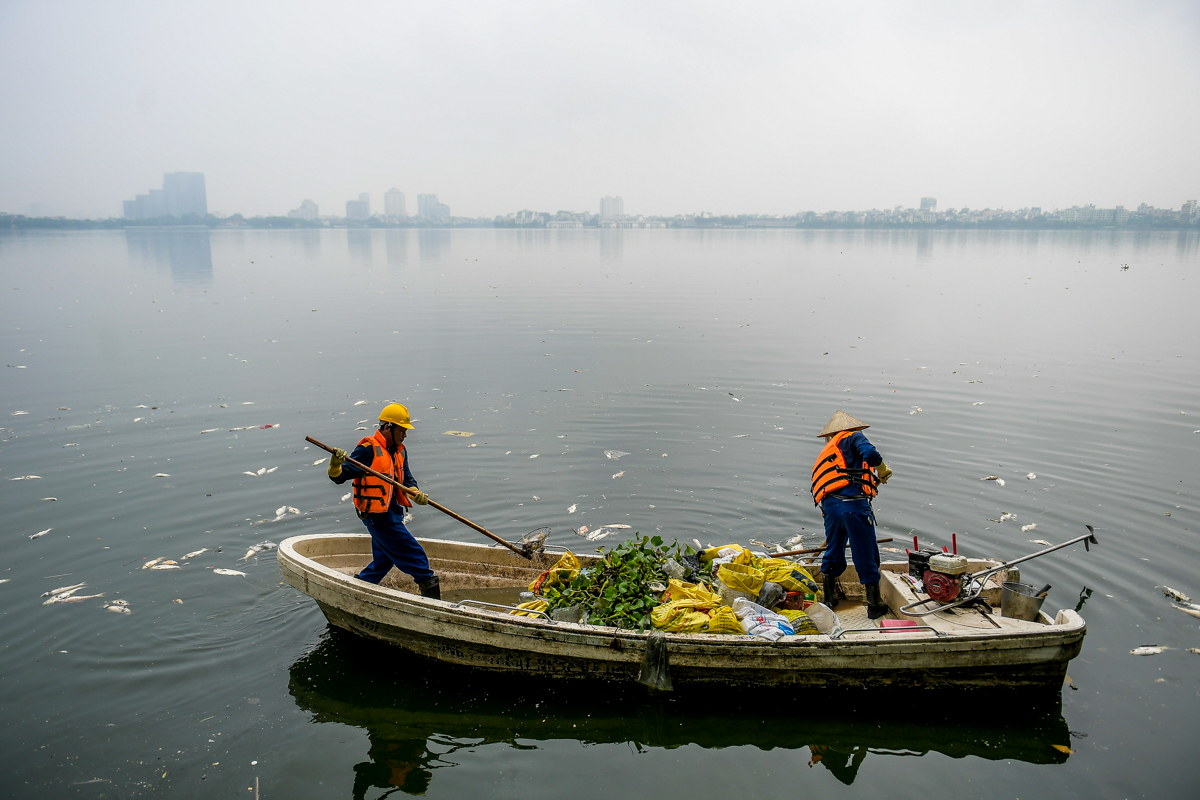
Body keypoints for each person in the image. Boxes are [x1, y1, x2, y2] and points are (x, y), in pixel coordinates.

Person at [327, 403, 441, 599]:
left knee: (383, 561)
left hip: (393, 514)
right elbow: (339, 476)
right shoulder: (367, 449)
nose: (405, 435)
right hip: (377, 517)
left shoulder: (400, 451)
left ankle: (358, 591)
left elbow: (407, 480)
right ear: (387, 427)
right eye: (402, 430)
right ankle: (436, 609)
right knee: (417, 559)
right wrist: (335, 462)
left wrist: (415, 492)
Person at [810, 410, 893, 619]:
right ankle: (874, 606)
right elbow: (872, 455)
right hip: (853, 508)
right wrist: (882, 470)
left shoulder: (832, 447)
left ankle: (828, 600)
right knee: (866, 553)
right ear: (854, 428)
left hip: (830, 508)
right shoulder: (855, 436)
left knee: (833, 550)